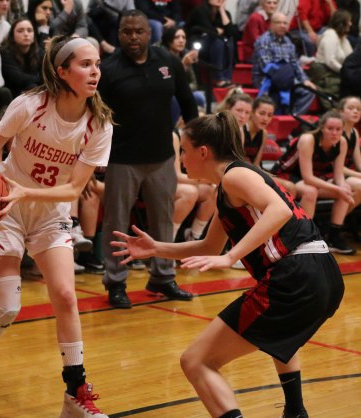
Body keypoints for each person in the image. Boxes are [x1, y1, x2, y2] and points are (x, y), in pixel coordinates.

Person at [110, 111, 345, 418]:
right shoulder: (229, 187)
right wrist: (156, 248)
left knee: (196, 361)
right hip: (322, 273)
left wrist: (231, 257)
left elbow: (279, 211)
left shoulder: (236, 175)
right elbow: (208, 246)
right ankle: (296, 411)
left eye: (184, 150)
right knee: (279, 337)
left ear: (203, 152)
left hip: (296, 275)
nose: (181, 158)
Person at [0, 35, 113, 418]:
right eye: (85, 64)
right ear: (62, 71)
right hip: (5, 209)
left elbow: (74, 188)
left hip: (49, 213)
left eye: (97, 64)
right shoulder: (31, 105)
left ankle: (75, 393)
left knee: (66, 296)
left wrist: (29, 192)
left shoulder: (99, 124)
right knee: (7, 307)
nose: (95, 72)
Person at [98, 9, 198, 309]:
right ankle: (116, 282)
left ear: (149, 33)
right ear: (119, 34)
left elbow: (188, 102)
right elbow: (95, 118)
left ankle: (162, 277)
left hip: (162, 157)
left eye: (138, 31)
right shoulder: (109, 69)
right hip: (122, 159)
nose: (133, 37)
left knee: (163, 221)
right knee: (117, 224)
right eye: (127, 31)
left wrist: (193, 143)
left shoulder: (168, 61)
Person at [272, 110, 359, 254]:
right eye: (330, 128)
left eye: (338, 129)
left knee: (346, 188)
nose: (334, 133)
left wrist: (343, 187)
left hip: (315, 177)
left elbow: (338, 176)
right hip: (287, 174)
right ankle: (303, 238)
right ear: (322, 128)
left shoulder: (342, 142)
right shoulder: (308, 139)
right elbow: (308, 178)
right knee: (310, 191)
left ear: (343, 130)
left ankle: (332, 236)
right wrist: (338, 189)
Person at [253, 12, 316, 116]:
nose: (282, 26)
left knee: (309, 91)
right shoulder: (263, 41)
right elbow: (266, 66)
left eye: (285, 23)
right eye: (279, 23)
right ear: (271, 24)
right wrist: (285, 79)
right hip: (267, 79)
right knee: (277, 92)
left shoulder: (288, 42)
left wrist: (305, 80)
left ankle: (293, 117)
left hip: (287, 78)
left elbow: (295, 64)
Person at [306, 9, 353, 108]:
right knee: (343, 84)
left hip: (335, 71)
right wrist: (345, 72)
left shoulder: (343, 38)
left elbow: (350, 57)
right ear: (342, 22)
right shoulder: (330, 35)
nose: (351, 24)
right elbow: (330, 61)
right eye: (349, 21)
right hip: (324, 72)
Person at [185, 0, 238, 87]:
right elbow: (210, 31)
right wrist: (218, 31)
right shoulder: (199, 11)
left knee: (229, 40)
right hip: (198, 45)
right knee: (219, 41)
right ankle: (219, 79)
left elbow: (231, 33)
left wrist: (222, 11)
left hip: (215, 44)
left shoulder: (225, 13)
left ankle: (227, 78)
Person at [161, 25, 206, 114]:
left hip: (183, 90)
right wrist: (183, 65)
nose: (181, 40)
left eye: (184, 37)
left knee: (199, 97)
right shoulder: (161, 55)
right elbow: (167, 83)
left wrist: (183, 90)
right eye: (177, 37)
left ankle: (195, 122)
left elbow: (194, 83)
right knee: (174, 99)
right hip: (167, 93)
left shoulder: (186, 54)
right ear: (169, 40)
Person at [0, 17, 43, 98]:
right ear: (12, 35)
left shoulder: (39, 51)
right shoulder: (5, 53)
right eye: (20, 31)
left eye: (29, 30)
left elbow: (46, 74)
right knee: (32, 86)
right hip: (12, 92)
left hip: (32, 88)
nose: (26, 34)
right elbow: (18, 78)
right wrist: (40, 78)